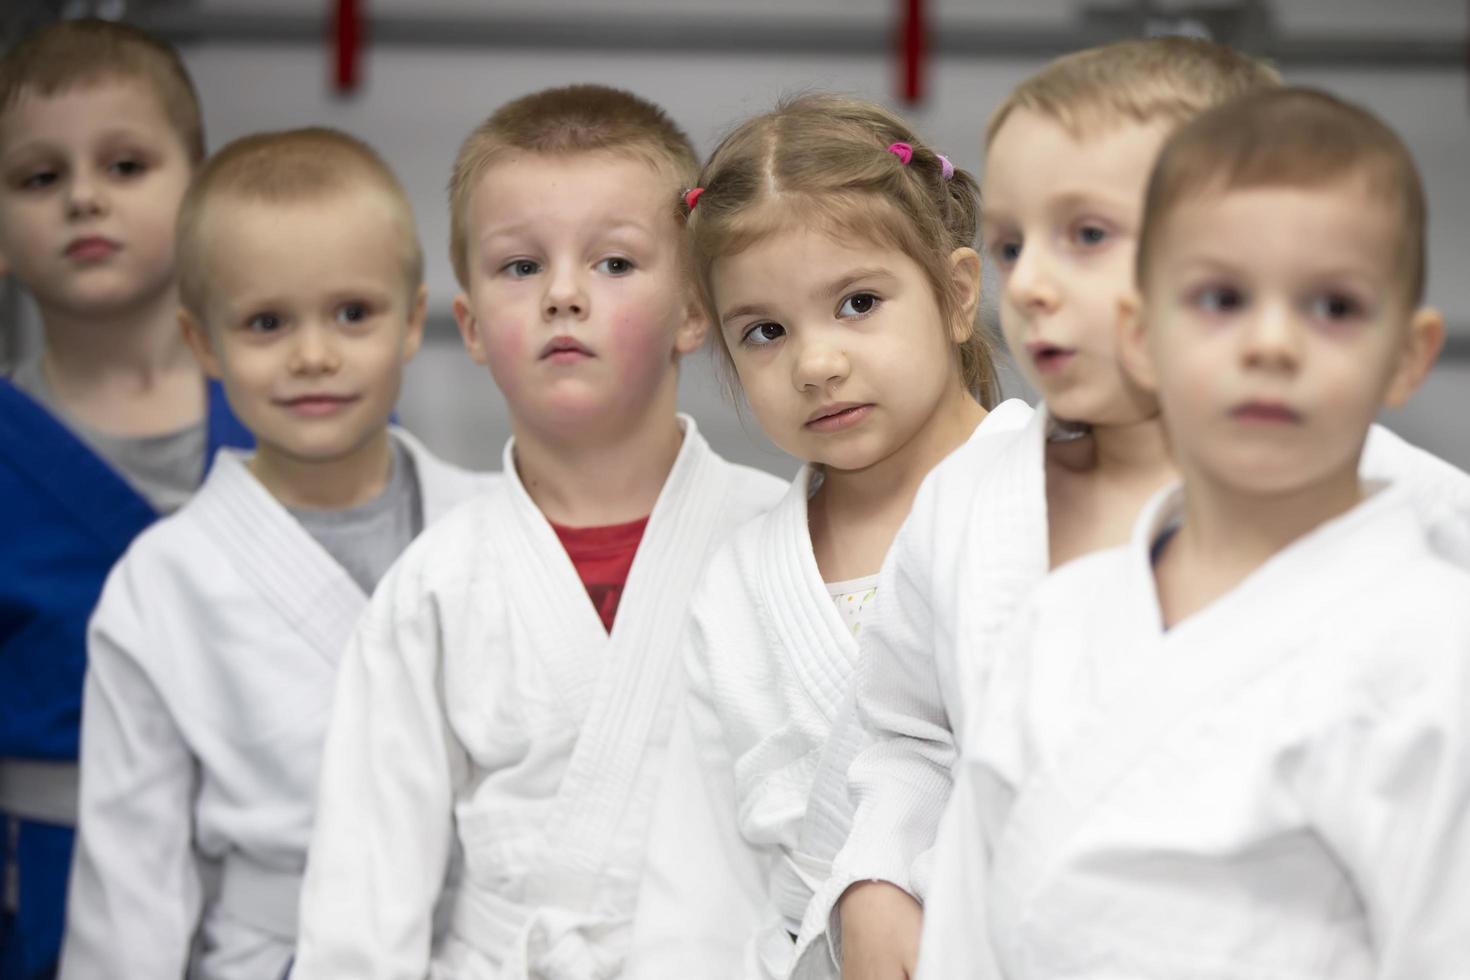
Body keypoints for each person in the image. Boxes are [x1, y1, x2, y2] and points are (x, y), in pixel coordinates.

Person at [917, 85, 1470, 979]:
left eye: (1333, 307)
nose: (1273, 344)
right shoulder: (1060, 619)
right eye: (1220, 298)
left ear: (1407, 356)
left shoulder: (1439, 644)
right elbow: (968, 934)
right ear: (1143, 336)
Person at [291, 84, 785, 980]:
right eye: (521, 267)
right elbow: (364, 896)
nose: (563, 294)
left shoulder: (777, 540)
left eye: (614, 263)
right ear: (472, 327)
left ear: (693, 312)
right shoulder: (435, 587)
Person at [810, 38, 1279, 980]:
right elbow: (908, 736)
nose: (1027, 283)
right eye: (1014, 243)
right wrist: (875, 878)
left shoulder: (1398, 518)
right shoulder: (970, 501)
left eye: (1088, 236)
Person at [56, 127, 492, 980]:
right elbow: (131, 878)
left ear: (412, 321)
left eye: (353, 313)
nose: (314, 355)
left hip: (483, 947)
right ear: (204, 345)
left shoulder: (494, 526)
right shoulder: (163, 582)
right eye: (266, 322)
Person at [626, 93, 1008, 980]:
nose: (816, 362)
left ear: (956, 295)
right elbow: (699, 878)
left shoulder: (1055, 496)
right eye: (764, 331)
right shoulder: (739, 580)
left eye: (859, 302)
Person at [0, 21, 251, 979]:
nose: (84, 197)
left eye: (126, 163)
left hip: (272, 876)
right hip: (46, 888)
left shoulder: (304, 427)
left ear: (201, 193)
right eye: (38, 177)